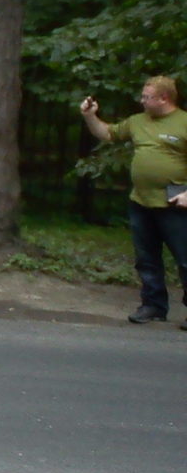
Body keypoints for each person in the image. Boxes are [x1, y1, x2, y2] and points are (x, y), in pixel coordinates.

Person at [81, 76, 187, 325]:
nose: (142, 101)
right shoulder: (138, 122)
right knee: (146, 257)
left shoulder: (183, 122)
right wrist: (90, 116)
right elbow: (107, 133)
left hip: (175, 199)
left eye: (146, 97)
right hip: (140, 199)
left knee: (185, 257)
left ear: (164, 98)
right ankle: (153, 306)